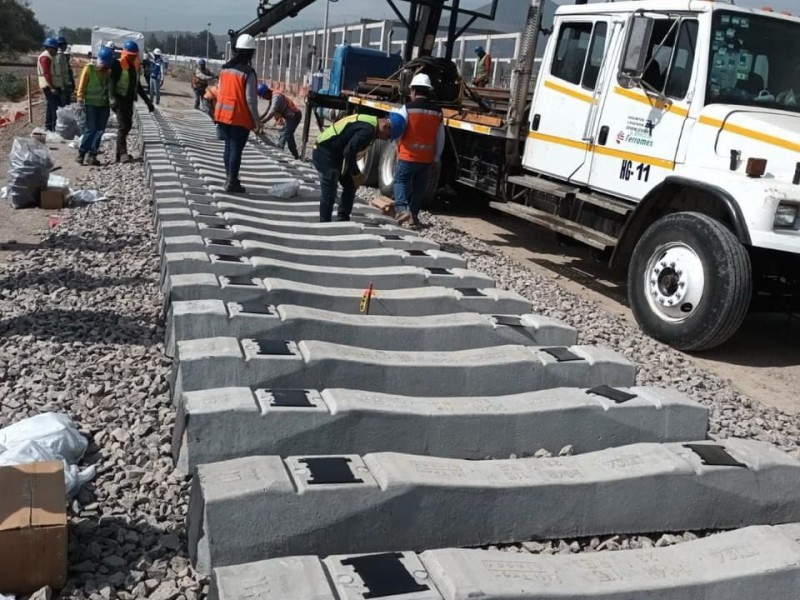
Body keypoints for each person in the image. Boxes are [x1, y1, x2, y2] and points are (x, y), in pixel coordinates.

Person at [312, 114, 395, 222]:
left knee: (350, 185)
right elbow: (349, 152)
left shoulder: (372, 124)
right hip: (324, 152)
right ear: (385, 126)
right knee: (330, 189)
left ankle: (343, 218)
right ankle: (324, 223)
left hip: (337, 154)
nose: (385, 139)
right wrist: (356, 173)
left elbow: (349, 152)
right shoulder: (368, 130)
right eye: (388, 136)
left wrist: (353, 176)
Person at [393, 73, 445, 227]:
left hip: (407, 155)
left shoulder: (407, 108)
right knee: (419, 188)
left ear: (414, 90)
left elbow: (398, 130)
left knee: (400, 181)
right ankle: (413, 217)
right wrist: (437, 156)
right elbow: (440, 137)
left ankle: (402, 210)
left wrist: (397, 147)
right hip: (426, 158)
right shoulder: (437, 111)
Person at [214, 34, 260, 193]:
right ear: (251, 52)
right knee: (235, 150)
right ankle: (232, 182)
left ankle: (229, 179)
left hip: (222, 115)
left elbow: (219, 90)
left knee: (227, 148)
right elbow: (251, 100)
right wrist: (257, 121)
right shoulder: (248, 72)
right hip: (239, 117)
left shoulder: (225, 68)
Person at [109, 40, 155, 163]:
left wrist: (147, 101)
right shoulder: (117, 65)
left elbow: (137, 86)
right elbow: (112, 83)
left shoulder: (133, 67)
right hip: (119, 100)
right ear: (124, 53)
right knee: (123, 126)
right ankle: (122, 153)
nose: (132, 58)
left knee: (127, 125)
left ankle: (120, 154)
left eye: (134, 56)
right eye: (130, 55)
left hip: (128, 100)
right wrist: (112, 99)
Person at [76, 46, 114, 166]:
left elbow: (109, 87)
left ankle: (92, 155)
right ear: (100, 61)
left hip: (103, 105)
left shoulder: (108, 71)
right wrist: (80, 101)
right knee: (91, 129)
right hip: (91, 104)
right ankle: (81, 154)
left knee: (100, 131)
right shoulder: (89, 69)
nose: (106, 67)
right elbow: (81, 86)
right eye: (105, 65)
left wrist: (112, 100)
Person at [257, 83, 302, 159]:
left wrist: (263, 122)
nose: (264, 98)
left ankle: (279, 153)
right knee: (289, 136)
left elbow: (272, 111)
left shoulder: (276, 97)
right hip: (290, 117)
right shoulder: (272, 97)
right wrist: (258, 119)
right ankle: (296, 156)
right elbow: (267, 111)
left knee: (285, 133)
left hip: (294, 116)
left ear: (266, 92)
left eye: (264, 96)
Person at [37, 37, 63, 131]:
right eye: (55, 48)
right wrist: (52, 87)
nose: (56, 50)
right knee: (54, 106)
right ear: (49, 48)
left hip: (53, 85)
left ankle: (49, 126)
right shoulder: (45, 57)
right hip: (49, 85)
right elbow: (46, 73)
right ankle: (52, 127)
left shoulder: (51, 57)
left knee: (51, 106)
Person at [55, 36, 74, 106]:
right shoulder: (59, 55)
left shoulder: (61, 55)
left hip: (63, 84)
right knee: (61, 105)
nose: (66, 46)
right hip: (61, 85)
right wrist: (62, 85)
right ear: (62, 45)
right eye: (65, 44)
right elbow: (59, 71)